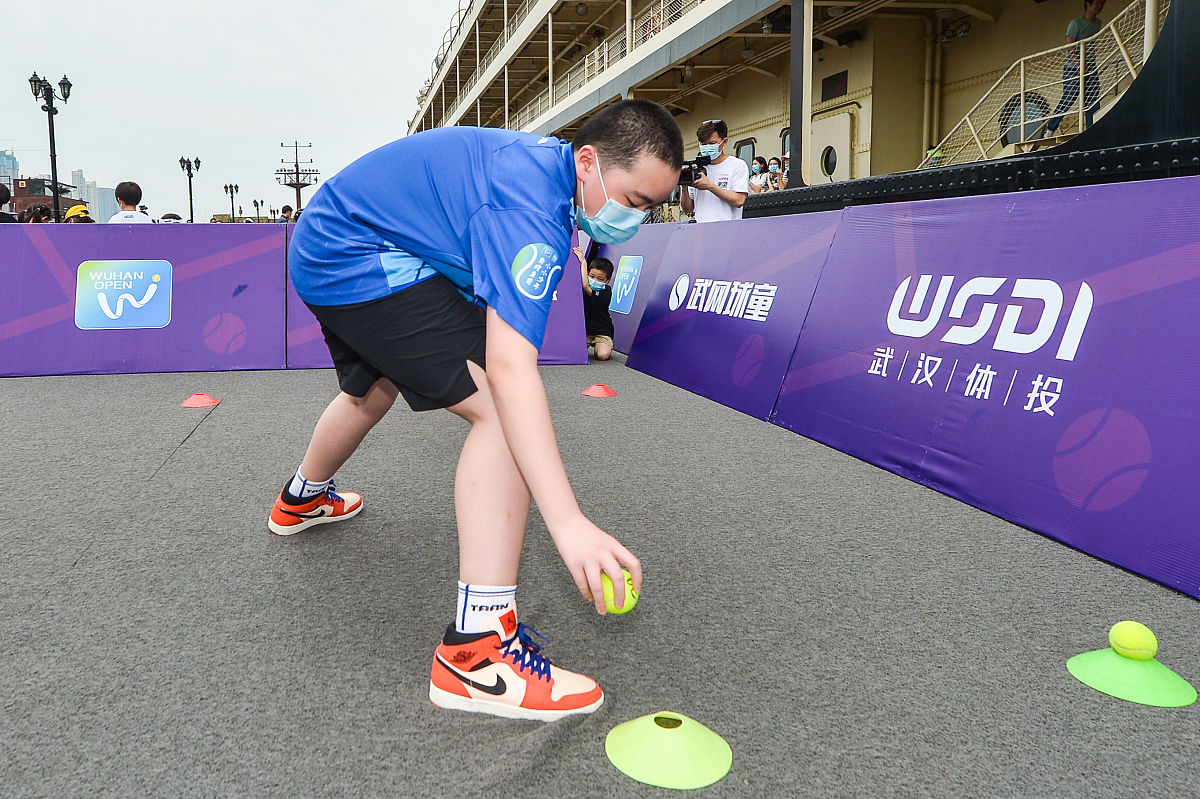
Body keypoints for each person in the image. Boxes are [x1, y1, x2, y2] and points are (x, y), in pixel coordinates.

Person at [269, 99, 682, 722]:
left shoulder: (548, 175)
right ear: (589, 161)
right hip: (354, 255)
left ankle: (302, 497)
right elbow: (513, 370)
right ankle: (476, 656)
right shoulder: (530, 212)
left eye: (653, 207)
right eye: (636, 200)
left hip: (335, 239)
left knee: (371, 390)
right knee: (501, 410)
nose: (637, 218)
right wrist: (566, 522)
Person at [1044, 0, 1105, 136]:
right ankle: (1050, 129)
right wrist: (1078, 64)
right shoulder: (1076, 24)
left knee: (1092, 99)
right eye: (1097, 4)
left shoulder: (1098, 23)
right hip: (1073, 68)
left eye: (1102, 4)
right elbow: (1069, 46)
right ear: (1088, 4)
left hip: (1091, 66)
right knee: (1069, 97)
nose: (1099, 7)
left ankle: (1092, 130)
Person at [678, 119, 749, 222]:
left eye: (712, 143)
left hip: (728, 231)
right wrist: (684, 186)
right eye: (703, 144)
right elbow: (688, 209)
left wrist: (710, 186)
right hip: (702, 231)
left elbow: (739, 200)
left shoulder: (737, 165)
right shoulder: (697, 169)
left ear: (724, 142)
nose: (707, 148)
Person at [573, 246, 615, 361]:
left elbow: (586, 286)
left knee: (602, 355)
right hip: (585, 330)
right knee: (573, 353)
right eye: (592, 276)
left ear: (607, 280)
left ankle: (604, 344)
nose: (595, 280)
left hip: (602, 331)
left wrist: (583, 261)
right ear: (587, 274)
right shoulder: (577, 286)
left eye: (600, 279)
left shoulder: (606, 292)